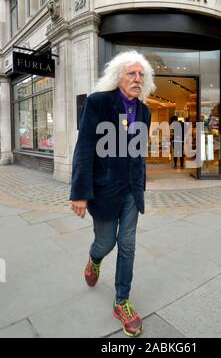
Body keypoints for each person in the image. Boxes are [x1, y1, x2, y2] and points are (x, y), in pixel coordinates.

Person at [70, 51, 155, 337]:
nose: (137, 79)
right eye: (132, 73)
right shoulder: (98, 103)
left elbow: (139, 153)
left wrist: (141, 184)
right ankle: (94, 258)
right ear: (118, 75)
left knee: (128, 244)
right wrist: (80, 192)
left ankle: (122, 301)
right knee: (106, 243)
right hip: (105, 190)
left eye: (141, 75)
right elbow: (83, 148)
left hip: (132, 190)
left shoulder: (145, 111)